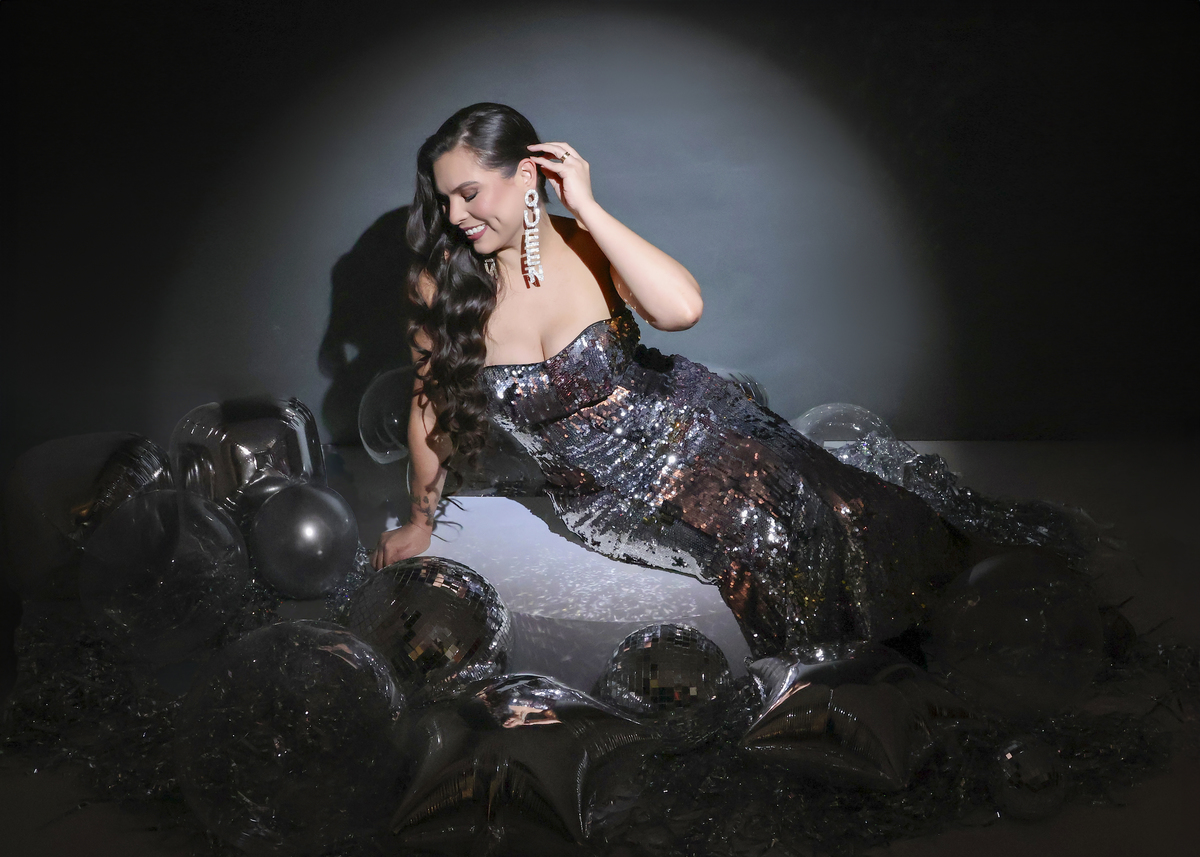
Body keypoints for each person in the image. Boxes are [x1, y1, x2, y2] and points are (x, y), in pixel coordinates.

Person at [371, 103, 980, 657]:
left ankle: (932, 642)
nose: (456, 215)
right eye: (445, 200)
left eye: (469, 193)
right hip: (606, 492)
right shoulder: (439, 287)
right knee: (764, 543)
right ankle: (825, 685)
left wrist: (587, 207)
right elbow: (430, 407)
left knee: (843, 505)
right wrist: (421, 522)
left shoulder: (588, 244)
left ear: (526, 176)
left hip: (691, 417)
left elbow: (681, 311)